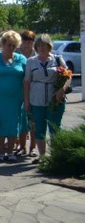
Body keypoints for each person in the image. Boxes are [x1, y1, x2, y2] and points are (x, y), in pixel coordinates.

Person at [24, 34, 70, 164]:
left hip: (55, 98)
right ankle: (42, 156)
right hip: (36, 98)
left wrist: (62, 90)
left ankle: (56, 155)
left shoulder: (57, 59)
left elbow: (68, 76)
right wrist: (26, 101)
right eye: (38, 46)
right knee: (39, 127)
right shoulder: (31, 61)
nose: (41, 48)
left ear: (49, 46)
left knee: (54, 127)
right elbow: (26, 82)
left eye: (44, 45)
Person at [0, 31, 27, 163]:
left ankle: (10, 151)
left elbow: (27, 79)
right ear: (3, 44)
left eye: (14, 45)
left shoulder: (21, 59)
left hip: (16, 99)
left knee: (14, 124)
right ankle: (1, 151)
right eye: (8, 45)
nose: (11, 47)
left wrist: (27, 97)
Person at [16, 30, 37, 157]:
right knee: (21, 119)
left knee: (33, 120)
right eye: (25, 41)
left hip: (34, 91)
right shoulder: (16, 54)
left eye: (30, 41)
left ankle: (33, 147)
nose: (27, 44)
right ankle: (21, 145)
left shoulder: (36, 54)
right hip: (18, 90)